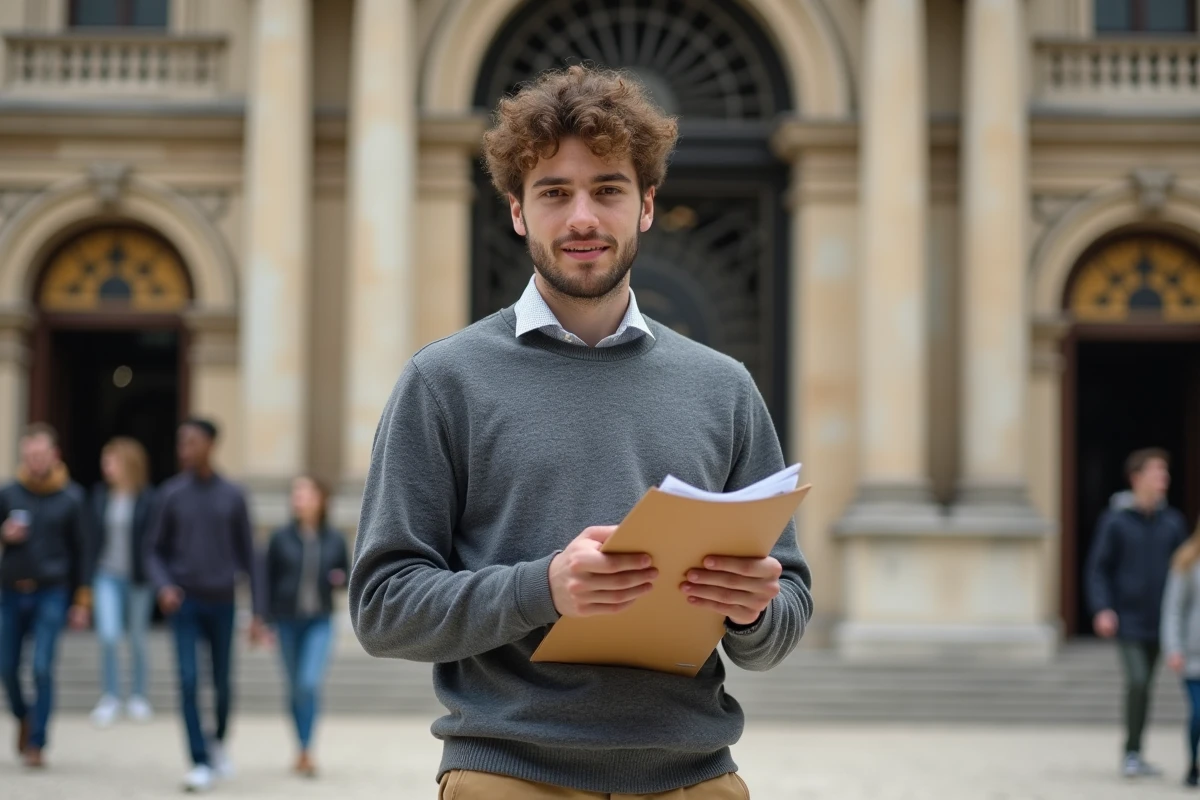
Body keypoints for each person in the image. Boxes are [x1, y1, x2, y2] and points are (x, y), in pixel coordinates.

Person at [349, 65, 813, 799]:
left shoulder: (724, 387)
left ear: (647, 205)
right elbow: (382, 609)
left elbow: (786, 605)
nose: (583, 219)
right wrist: (545, 588)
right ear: (517, 212)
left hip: (697, 782)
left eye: (607, 189)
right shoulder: (444, 382)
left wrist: (754, 610)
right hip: (509, 779)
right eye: (554, 193)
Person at [144, 417, 266, 793]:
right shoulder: (170, 495)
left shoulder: (233, 494)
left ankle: (218, 742)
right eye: (182, 443)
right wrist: (164, 586)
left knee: (223, 683)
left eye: (192, 442)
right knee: (187, 680)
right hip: (184, 603)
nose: (185, 450)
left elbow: (250, 555)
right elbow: (152, 550)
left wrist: (259, 611)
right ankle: (198, 760)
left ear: (210, 445)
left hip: (223, 601)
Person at [1087, 447, 1188, 779]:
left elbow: (1185, 571)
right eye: (1158, 472)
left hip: (1161, 622)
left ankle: (1137, 753)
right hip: (1128, 620)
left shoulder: (1172, 523)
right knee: (1138, 680)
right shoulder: (1115, 522)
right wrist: (1103, 608)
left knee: (1147, 686)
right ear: (1136, 478)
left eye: (1165, 473)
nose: (1164, 478)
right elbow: (1098, 569)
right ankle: (1131, 752)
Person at [0, 423, 91, 768]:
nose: (33, 462)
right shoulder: (9, 493)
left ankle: (37, 742)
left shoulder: (72, 497)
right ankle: (23, 716)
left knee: (41, 667)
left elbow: (83, 552)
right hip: (10, 591)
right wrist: (4, 535)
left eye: (39, 455)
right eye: (27, 456)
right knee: (6, 667)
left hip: (51, 592)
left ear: (54, 455)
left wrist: (82, 602)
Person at [262, 475, 349, 778]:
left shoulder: (334, 538)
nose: (298, 498)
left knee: (309, 683)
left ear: (320, 499)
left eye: (305, 492)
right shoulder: (280, 538)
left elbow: (349, 573)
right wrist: (263, 619)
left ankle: (307, 749)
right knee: (293, 687)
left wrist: (339, 578)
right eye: (295, 493)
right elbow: (266, 580)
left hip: (319, 621)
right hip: (286, 621)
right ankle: (300, 746)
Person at [88, 436, 158, 727]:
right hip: (107, 575)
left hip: (139, 578)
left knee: (138, 638)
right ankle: (111, 695)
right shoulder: (100, 496)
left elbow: (156, 542)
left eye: (111, 460)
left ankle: (139, 695)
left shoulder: (148, 499)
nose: (106, 466)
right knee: (108, 634)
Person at [1161, 522, 1200, 788]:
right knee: (1199, 712)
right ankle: (1193, 763)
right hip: (1194, 657)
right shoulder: (1188, 561)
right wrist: (1173, 647)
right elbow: (1173, 609)